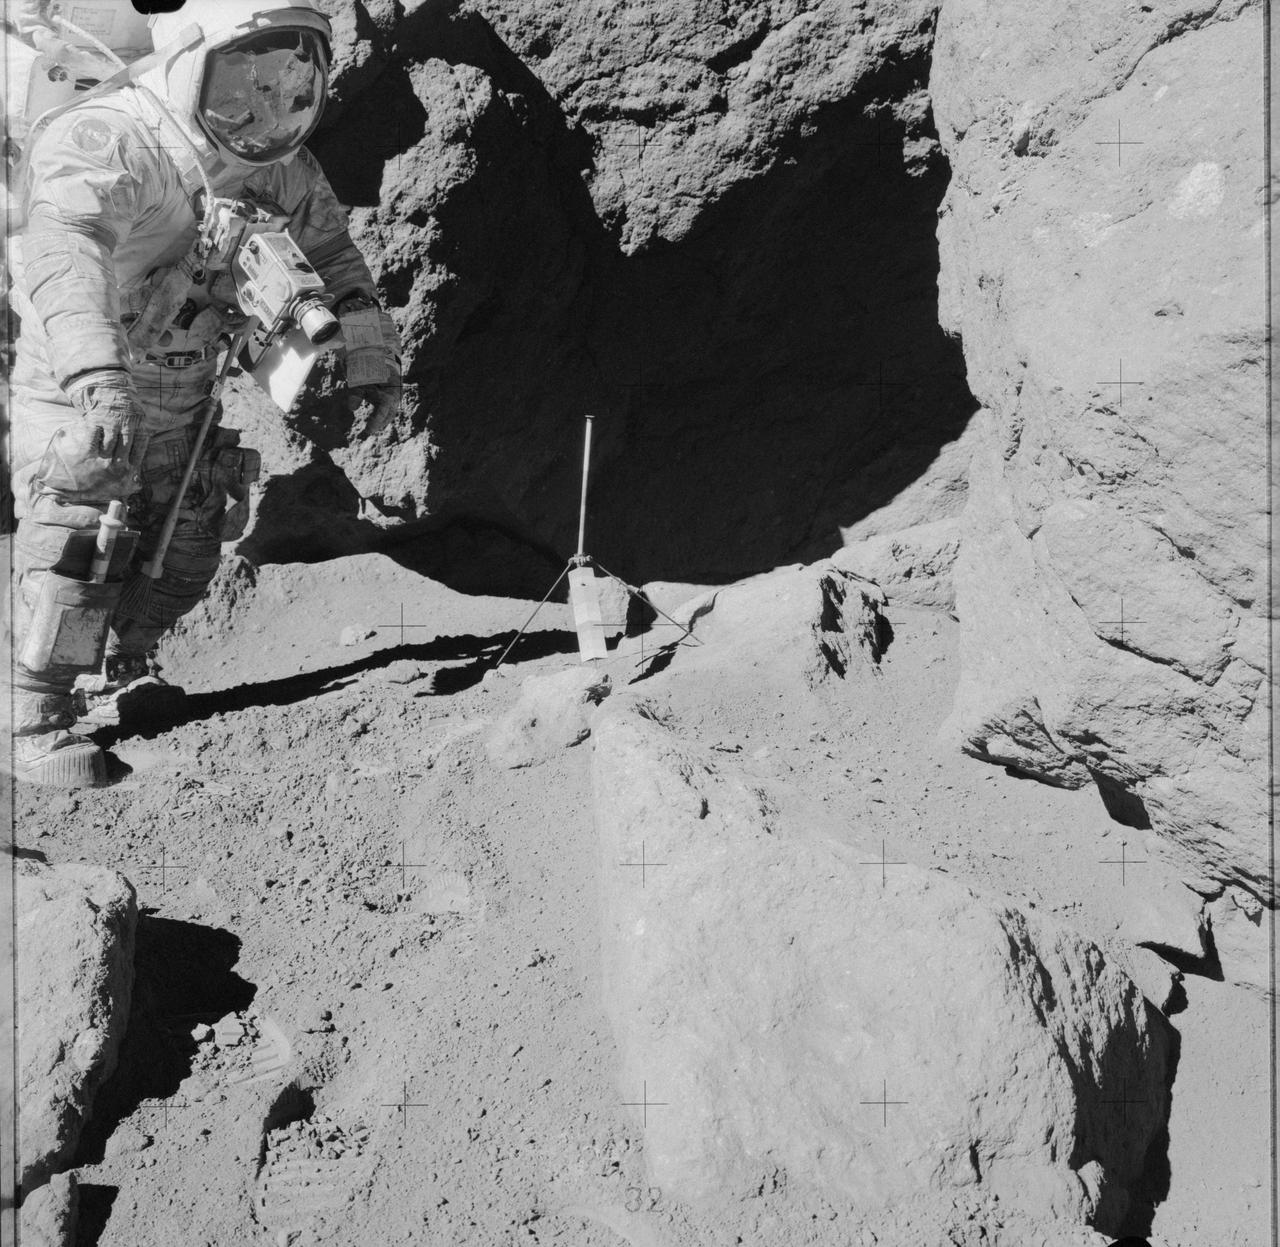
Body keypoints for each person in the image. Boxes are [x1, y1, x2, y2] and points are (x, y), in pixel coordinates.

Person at [5, 0, 400, 787]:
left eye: (290, 84)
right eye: (245, 84)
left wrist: (370, 352)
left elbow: (332, 254)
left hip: (188, 389)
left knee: (184, 548)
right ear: (193, 60)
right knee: (79, 539)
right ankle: (32, 713)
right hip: (85, 383)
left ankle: (122, 667)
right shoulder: (113, 138)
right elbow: (64, 251)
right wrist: (98, 379)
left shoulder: (280, 170)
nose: (267, 107)